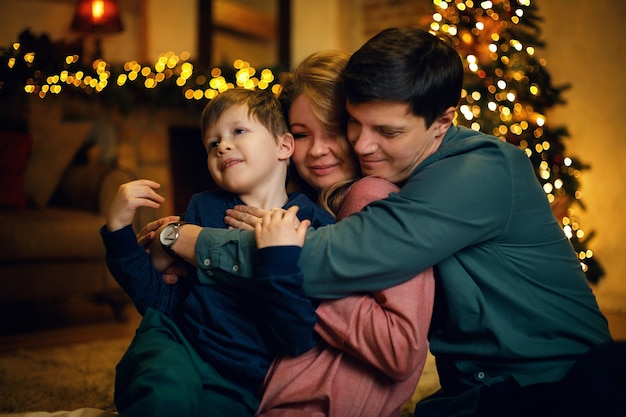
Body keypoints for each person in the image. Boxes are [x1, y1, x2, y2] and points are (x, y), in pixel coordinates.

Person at [163, 27, 626, 417]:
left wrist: (190, 240)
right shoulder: (359, 185)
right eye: (354, 124)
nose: (363, 147)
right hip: (479, 392)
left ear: (443, 122)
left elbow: (332, 260)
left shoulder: (476, 173)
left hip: (563, 379)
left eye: (387, 132)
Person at [147, 50, 435, 417]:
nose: (316, 150)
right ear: (284, 142)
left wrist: (190, 240)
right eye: (301, 134)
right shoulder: (290, 203)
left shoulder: (373, 198)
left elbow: (397, 349)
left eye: (333, 131)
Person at [100, 88, 336, 417]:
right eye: (212, 143)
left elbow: (297, 340)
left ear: (283, 146)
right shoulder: (203, 207)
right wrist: (118, 231)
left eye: (238, 131)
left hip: (242, 380)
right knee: (162, 394)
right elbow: (162, 300)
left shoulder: (316, 225)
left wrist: (276, 260)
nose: (222, 145)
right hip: (176, 345)